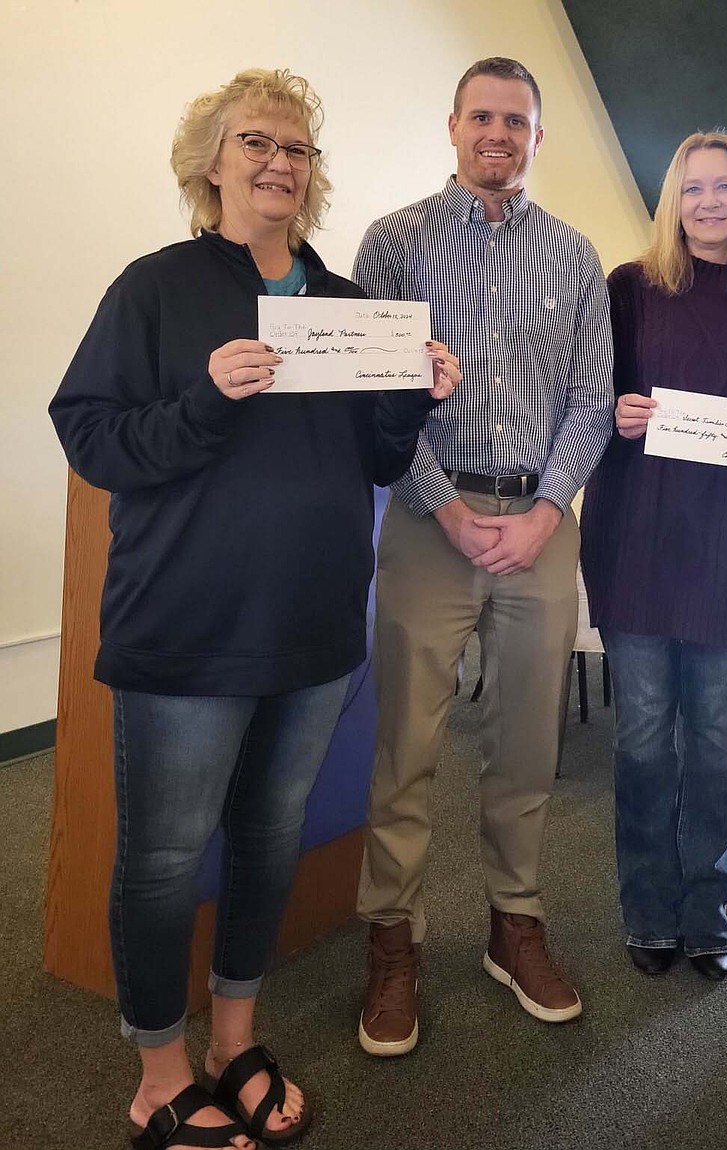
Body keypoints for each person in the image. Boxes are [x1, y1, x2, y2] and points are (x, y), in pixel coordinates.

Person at [49, 69, 458, 1150]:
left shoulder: (350, 307)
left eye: (297, 147)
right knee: (164, 853)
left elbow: (377, 456)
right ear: (213, 163)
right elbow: (92, 439)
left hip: (316, 627)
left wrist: (415, 392)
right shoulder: (156, 289)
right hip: (186, 627)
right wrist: (202, 400)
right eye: (256, 142)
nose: (279, 161)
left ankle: (234, 1039)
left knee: (268, 840)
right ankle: (160, 1072)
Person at [351, 57, 613, 1055]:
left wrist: (548, 511)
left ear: (537, 137)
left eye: (517, 120)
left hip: (539, 526)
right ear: (452, 126)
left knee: (525, 740)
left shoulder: (575, 256)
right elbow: (380, 390)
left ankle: (514, 919)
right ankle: (392, 938)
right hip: (431, 521)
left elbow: (590, 398)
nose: (498, 133)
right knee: (406, 747)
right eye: (482, 116)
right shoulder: (396, 243)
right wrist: (444, 508)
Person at [579, 131, 727, 981]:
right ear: (671, 201)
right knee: (642, 738)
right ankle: (646, 905)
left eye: (725, 188)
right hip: (636, 537)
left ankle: (706, 909)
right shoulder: (629, 289)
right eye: (693, 188)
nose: (709, 203)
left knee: (719, 742)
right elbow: (582, 400)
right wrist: (616, 411)